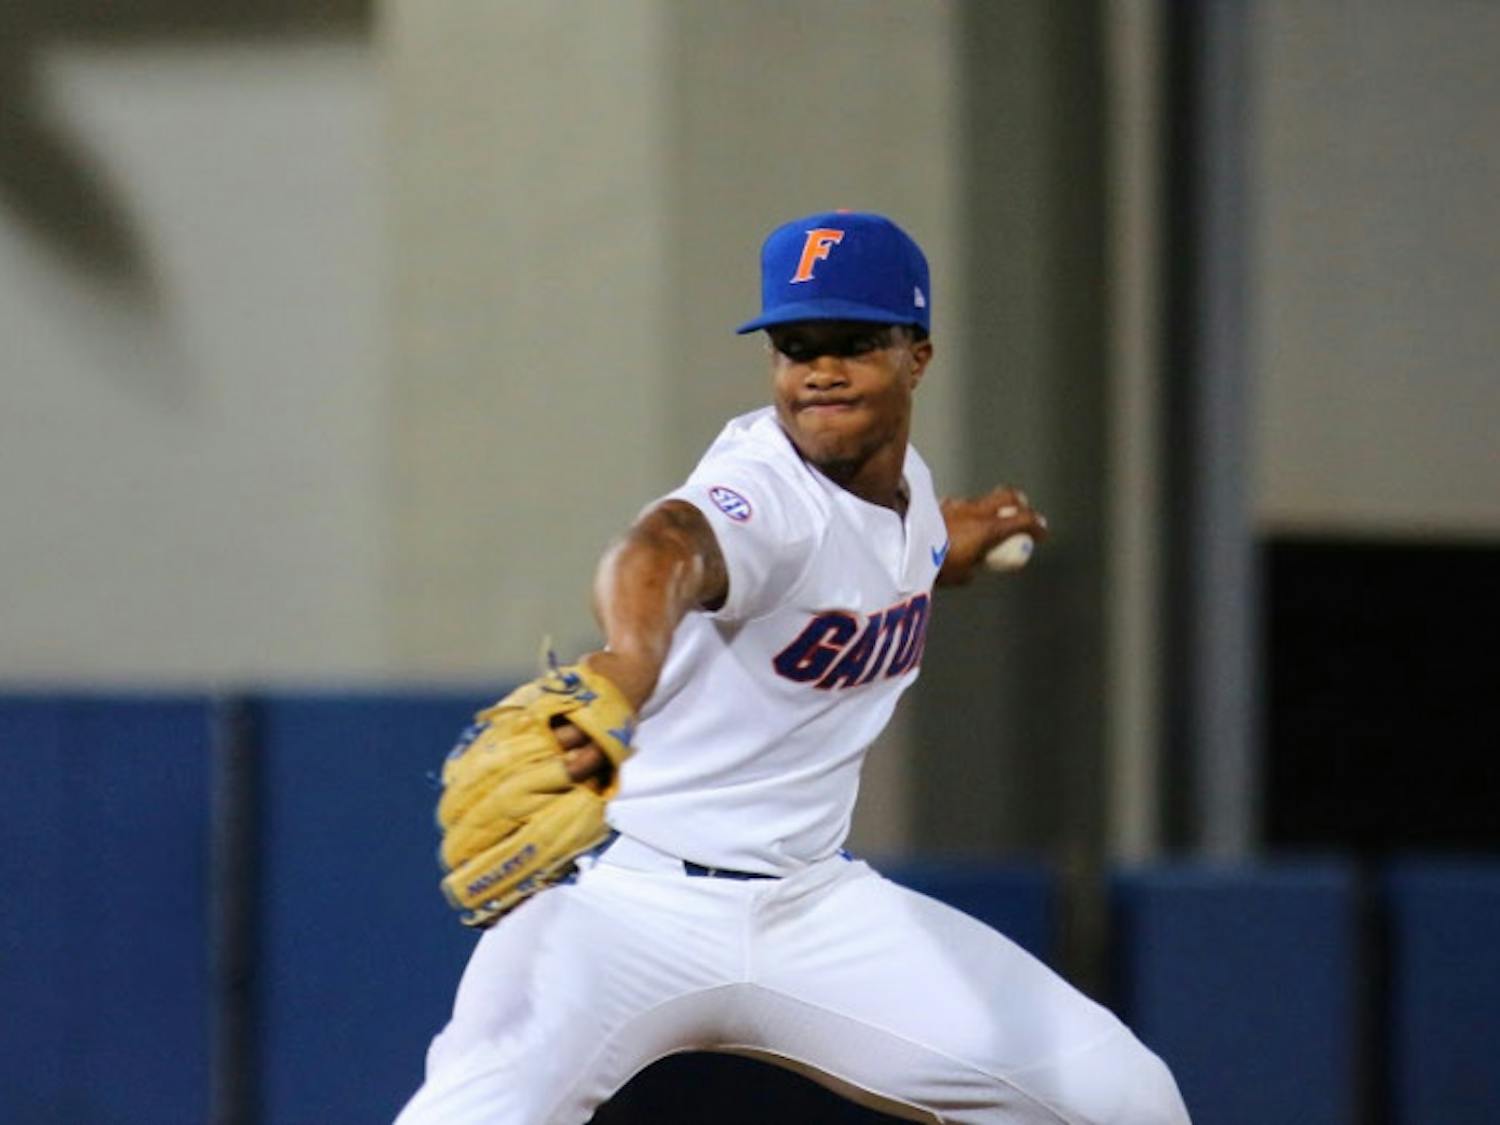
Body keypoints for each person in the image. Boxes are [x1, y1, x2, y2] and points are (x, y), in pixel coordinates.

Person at [396, 211, 1190, 1124]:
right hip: (630, 906)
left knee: (1127, 1100)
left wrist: (956, 540)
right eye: (794, 344)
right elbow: (664, 549)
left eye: (853, 342)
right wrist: (623, 667)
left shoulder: (908, 493)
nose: (819, 370)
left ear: (917, 356)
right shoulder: (761, 491)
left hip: (815, 908)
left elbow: (895, 554)